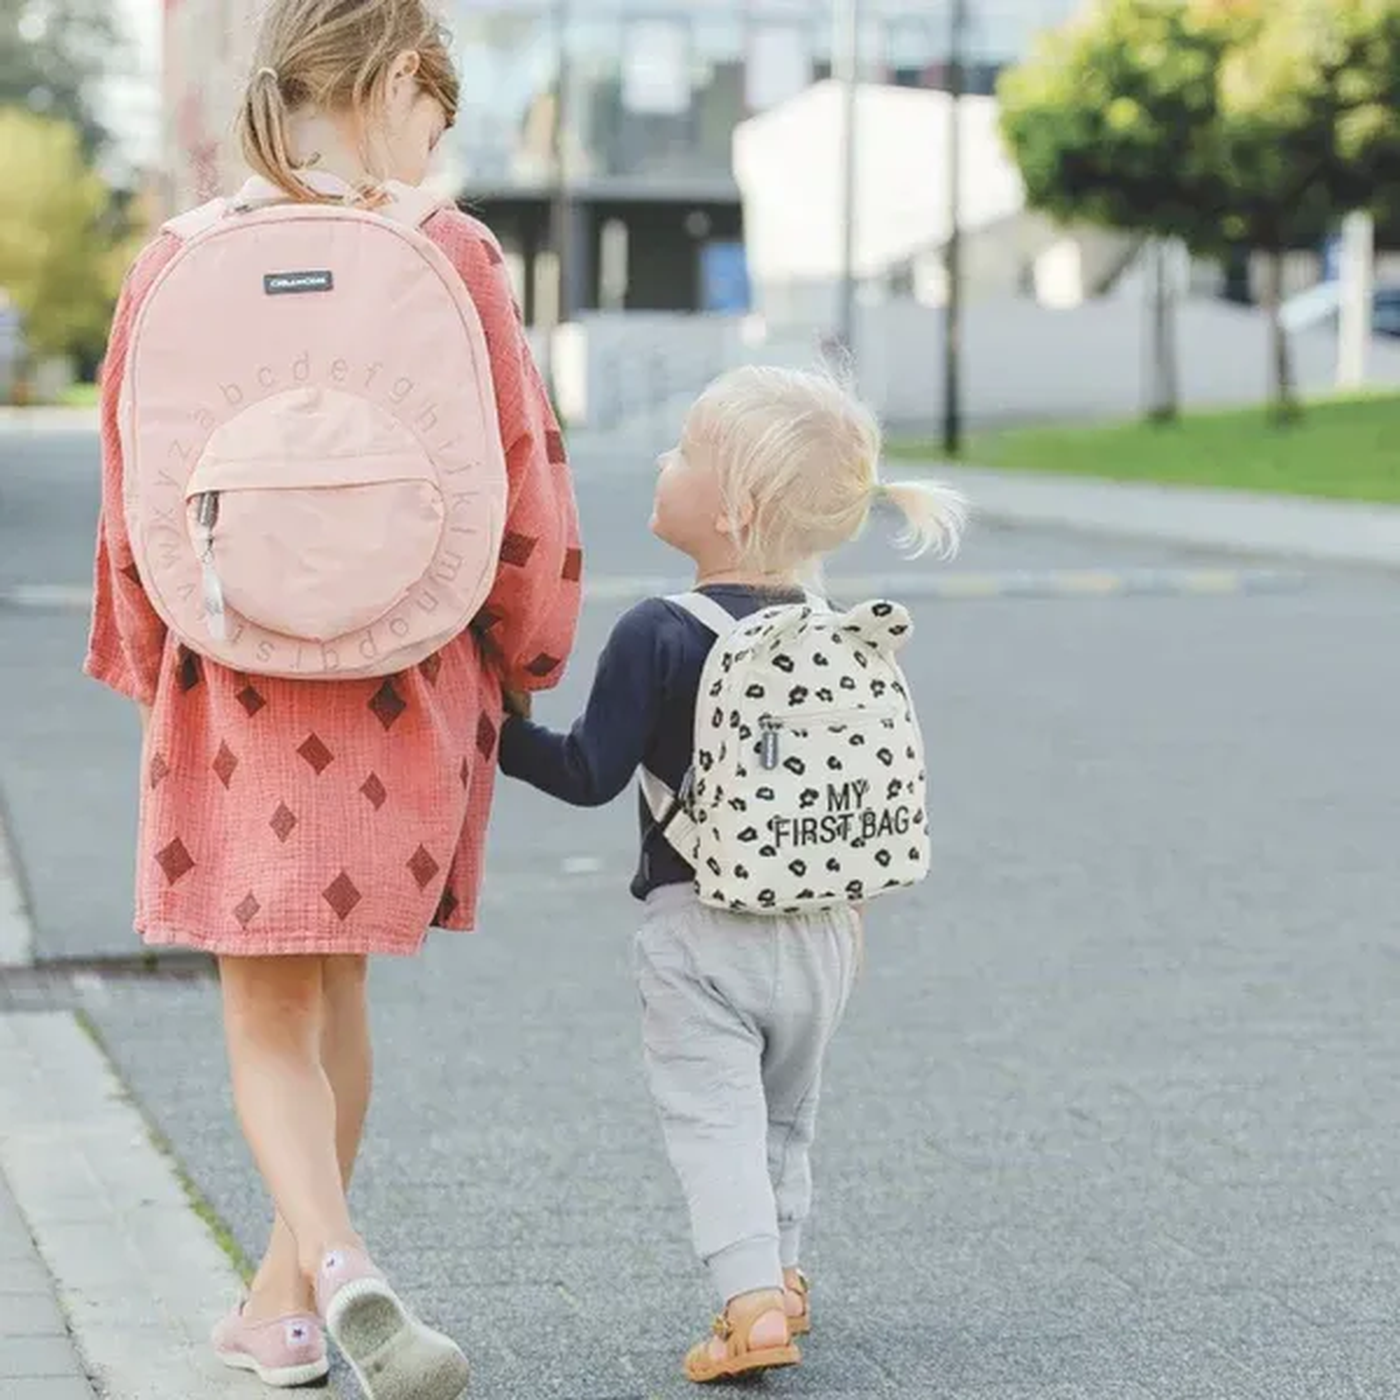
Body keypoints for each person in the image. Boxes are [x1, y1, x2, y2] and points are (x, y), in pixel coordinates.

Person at [84, 2, 581, 1395]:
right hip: (405, 682)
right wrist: (528, 654)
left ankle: (311, 1285)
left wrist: (148, 663)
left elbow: (129, 495)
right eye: (439, 115)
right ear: (407, 75)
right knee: (339, 980)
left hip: (231, 673)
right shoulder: (452, 250)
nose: (437, 147)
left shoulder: (176, 255)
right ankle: (318, 1283)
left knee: (265, 1015)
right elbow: (528, 478)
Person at [498, 365, 965, 1383]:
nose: (663, 462)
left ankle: (749, 1306)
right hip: (826, 932)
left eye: (684, 451)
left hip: (701, 927)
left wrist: (499, 730)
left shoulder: (658, 632)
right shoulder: (835, 630)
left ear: (733, 507)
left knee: (713, 1120)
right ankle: (782, 1278)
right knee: (785, 1118)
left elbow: (587, 774)